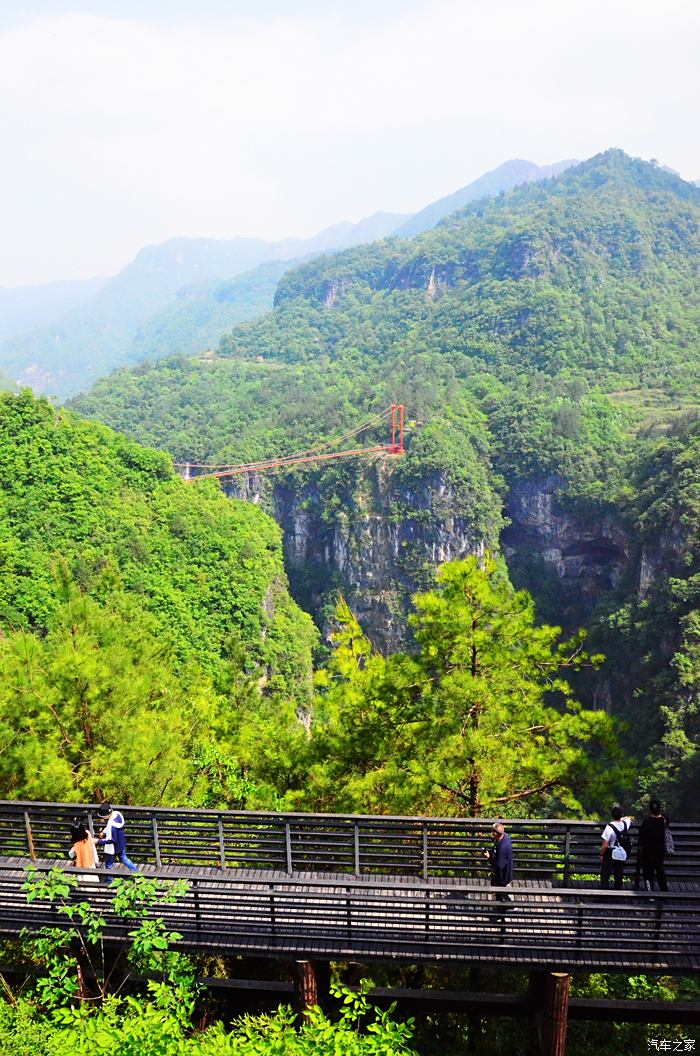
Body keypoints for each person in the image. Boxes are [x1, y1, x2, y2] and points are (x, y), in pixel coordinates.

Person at [96, 802, 138, 874]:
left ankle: (110, 881)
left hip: (112, 848)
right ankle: (136, 872)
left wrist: (98, 841)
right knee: (124, 859)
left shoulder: (111, 826)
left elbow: (111, 840)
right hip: (121, 843)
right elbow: (111, 828)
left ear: (105, 816)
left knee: (109, 864)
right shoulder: (117, 814)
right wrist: (104, 832)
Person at [637, 798, 669, 892]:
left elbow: (641, 838)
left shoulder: (646, 822)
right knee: (660, 870)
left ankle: (650, 892)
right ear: (659, 809)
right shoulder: (664, 820)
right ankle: (664, 890)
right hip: (660, 851)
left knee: (648, 873)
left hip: (647, 852)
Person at [600, 804, 632, 890]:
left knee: (605, 874)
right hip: (622, 852)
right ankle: (618, 894)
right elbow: (628, 818)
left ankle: (604, 894)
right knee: (619, 874)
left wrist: (602, 854)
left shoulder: (609, 827)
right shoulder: (625, 824)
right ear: (621, 814)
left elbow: (605, 845)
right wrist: (621, 819)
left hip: (610, 853)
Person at [488, 823, 514, 901]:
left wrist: (489, 857)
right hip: (504, 872)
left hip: (502, 875)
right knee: (499, 890)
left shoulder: (502, 848)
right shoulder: (505, 836)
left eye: (492, 831)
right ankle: (501, 905)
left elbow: (499, 865)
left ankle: (508, 906)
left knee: (501, 891)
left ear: (495, 833)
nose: (491, 831)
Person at [69, 816, 99, 881]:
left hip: (82, 866)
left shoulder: (76, 845)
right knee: (93, 880)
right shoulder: (88, 838)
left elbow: (71, 854)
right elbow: (93, 848)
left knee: (84, 881)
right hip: (91, 863)